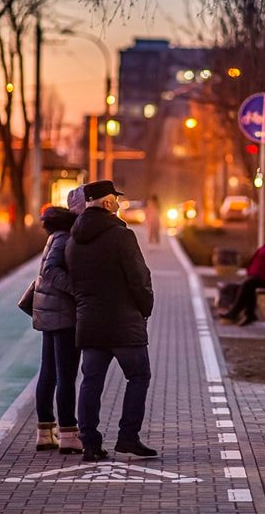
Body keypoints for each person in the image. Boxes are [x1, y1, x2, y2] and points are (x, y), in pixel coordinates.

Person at [66, 180, 156, 462]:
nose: (117, 204)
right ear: (106, 203)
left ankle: (90, 443)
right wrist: (145, 308)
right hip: (123, 321)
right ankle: (128, 437)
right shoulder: (121, 236)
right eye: (114, 199)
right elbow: (139, 278)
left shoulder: (73, 239)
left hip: (90, 322)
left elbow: (74, 282)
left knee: (91, 382)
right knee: (138, 376)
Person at [32, 198, 83, 454]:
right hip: (62, 315)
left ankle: (45, 432)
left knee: (50, 372)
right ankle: (68, 433)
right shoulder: (65, 237)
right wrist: (78, 291)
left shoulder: (56, 236)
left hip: (50, 313)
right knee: (65, 375)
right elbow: (51, 270)